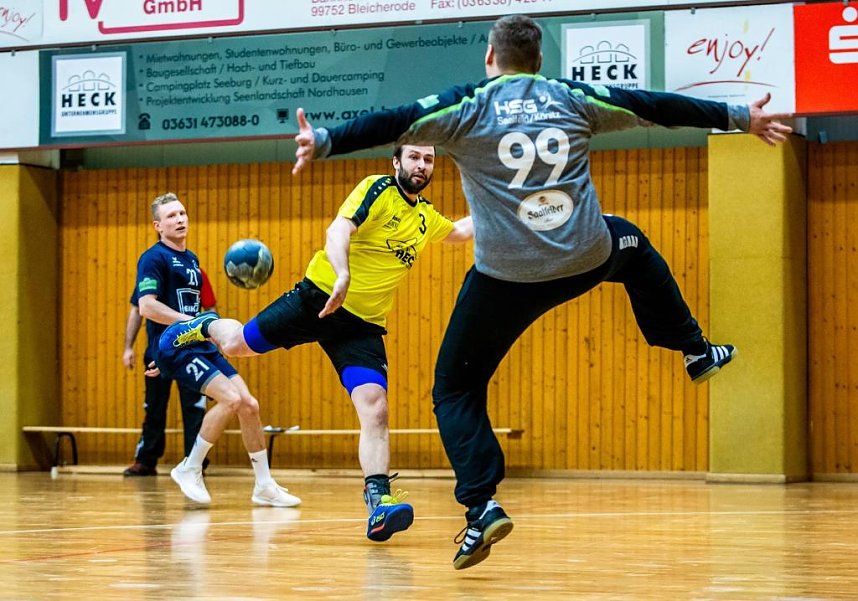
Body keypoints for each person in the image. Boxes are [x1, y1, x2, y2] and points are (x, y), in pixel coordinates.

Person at [288, 15, 794, 569]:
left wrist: (329, 140)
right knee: (635, 247)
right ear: (538, 61)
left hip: (506, 279)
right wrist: (740, 116)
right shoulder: (570, 98)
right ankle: (693, 348)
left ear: (490, 57)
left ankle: (480, 508)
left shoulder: (468, 106)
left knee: (455, 391)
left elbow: (399, 120)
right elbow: (653, 105)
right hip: (584, 257)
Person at [164, 144, 473, 540]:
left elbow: (461, 231)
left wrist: (502, 207)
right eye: (414, 157)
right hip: (319, 299)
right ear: (397, 162)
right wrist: (342, 274)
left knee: (375, 408)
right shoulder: (377, 189)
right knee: (238, 344)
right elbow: (338, 229)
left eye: (428, 159)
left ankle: (379, 503)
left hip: (361, 326)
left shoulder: (424, 216)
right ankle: (206, 325)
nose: (421, 165)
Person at [149, 313, 302, 507]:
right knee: (231, 399)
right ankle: (189, 467)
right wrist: (163, 361)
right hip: (176, 348)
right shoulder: (223, 334)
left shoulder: (222, 328)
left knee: (249, 406)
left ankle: (264, 486)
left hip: (201, 346)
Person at [122, 268, 216, 476]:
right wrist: (128, 346)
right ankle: (146, 459)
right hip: (157, 353)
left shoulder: (196, 272)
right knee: (154, 407)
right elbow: (138, 309)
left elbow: (210, 308)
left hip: (191, 352)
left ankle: (195, 462)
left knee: (195, 408)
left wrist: (212, 342)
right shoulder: (151, 272)